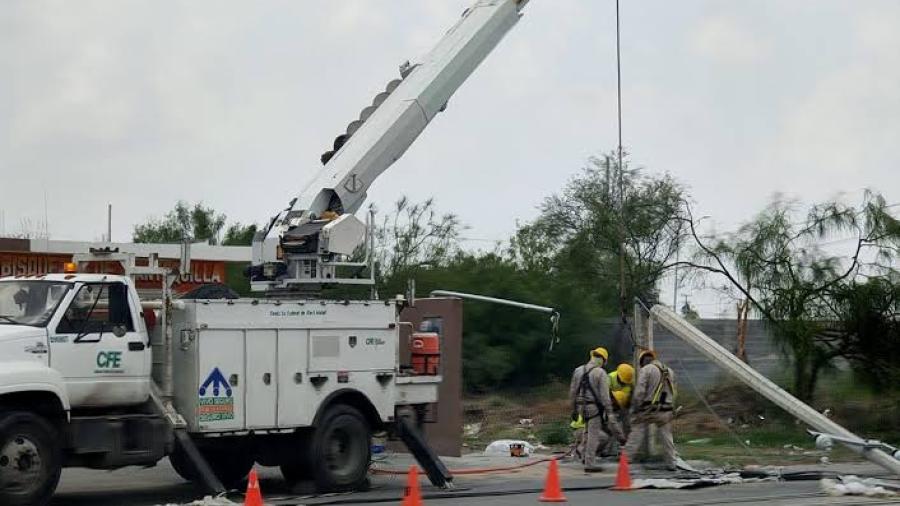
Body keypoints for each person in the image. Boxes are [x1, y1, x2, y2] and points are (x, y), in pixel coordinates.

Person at [569, 347, 625, 471]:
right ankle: (590, 464)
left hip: (580, 406)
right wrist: (609, 412)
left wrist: (573, 409)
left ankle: (584, 456)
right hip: (593, 407)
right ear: (603, 360)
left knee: (587, 432)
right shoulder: (600, 373)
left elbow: (572, 391)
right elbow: (605, 397)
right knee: (593, 435)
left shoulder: (578, 370)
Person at [623, 349, 678, 470]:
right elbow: (674, 392)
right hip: (665, 410)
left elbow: (639, 392)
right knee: (667, 437)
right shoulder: (669, 371)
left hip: (648, 409)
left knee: (637, 432)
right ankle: (671, 462)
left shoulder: (646, 370)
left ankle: (625, 460)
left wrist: (636, 408)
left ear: (643, 361)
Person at [601, 363, 635, 456]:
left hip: (624, 406)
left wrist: (628, 405)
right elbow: (605, 393)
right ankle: (606, 450)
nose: (624, 384)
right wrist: (613, 404)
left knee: (627, 426)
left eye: (625, 383)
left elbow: (632, 395)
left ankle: (626, 448)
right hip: (611, 405)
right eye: (622, 382)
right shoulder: (609, 378)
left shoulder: (630, 381)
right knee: (611, 427)